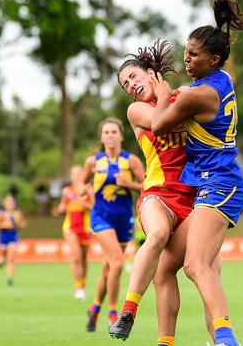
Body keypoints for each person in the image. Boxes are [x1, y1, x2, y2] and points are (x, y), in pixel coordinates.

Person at [150, 0, 243, 346]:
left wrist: (162, 97)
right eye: (186, 51)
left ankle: (226, 339)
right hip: (213, 185)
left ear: (214, 58)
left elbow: (158, 126)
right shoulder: (221, 82)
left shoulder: (197, 95)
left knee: (196, 265)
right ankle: (178, 340)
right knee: (167, 266)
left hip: (220, 185)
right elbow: (187, 104)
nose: (186, 58)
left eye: (193, 55)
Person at [110, 39, 221, 345]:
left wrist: (179, 96)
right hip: (157, 194)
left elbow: (208, 113)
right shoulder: (136, 111)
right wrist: (165, 97)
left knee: (208, 272)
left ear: (151, 72)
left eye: (133, 77)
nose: (130, 86)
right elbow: (162, 124)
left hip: (195, 198)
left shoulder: (185, 95)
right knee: (157, 235)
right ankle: (129, 310)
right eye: (125, 84)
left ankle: (220, 340)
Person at [79, 117, 145, 332]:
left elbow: (147, 186)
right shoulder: (93, 162)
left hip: (123, 219)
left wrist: (129, 184)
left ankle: (95, 308)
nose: (110, 136)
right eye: (106, 132)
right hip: (101, 218)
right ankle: (113, 312)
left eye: (114, 132)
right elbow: (81, 182)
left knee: (109, 268)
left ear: (121, 136)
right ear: (101, 137)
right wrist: (83, 191)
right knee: (117, 263)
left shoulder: (131, 161)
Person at [56, 166, 94, 300]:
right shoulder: (67, 191)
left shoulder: (88, 190)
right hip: (70, 227)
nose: (77, 176)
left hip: (86, 228)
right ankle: (78, 287)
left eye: (79, 174)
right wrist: (60, 209)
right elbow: (62, 205)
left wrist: (84, 204)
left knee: (83, 259)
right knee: (76, 256)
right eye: (74, 174)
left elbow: (95, 206)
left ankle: (82, 285)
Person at [0, 194, 27, 286]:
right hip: (3, 236)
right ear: (5, 204)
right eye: (8, 202)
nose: (10, 204)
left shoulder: (18, 213)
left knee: (11, 258)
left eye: (12, 202)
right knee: (3, 257)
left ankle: (10, 278)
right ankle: (1, 260)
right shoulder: (1, 213)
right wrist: (5, 225)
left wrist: (18, 224)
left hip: (13, 236)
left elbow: (24, 224)